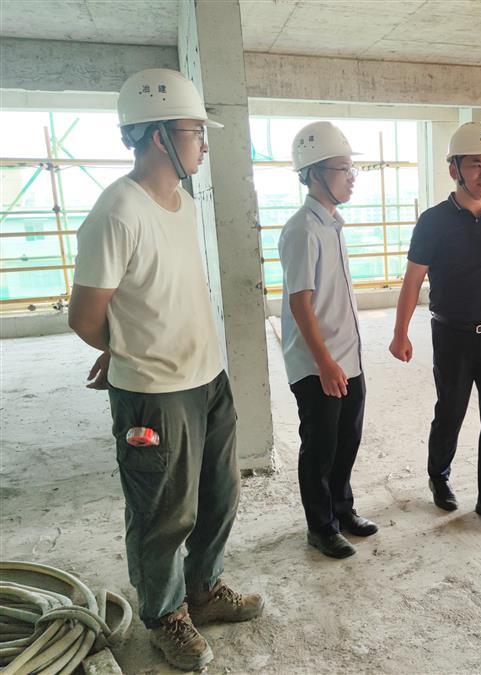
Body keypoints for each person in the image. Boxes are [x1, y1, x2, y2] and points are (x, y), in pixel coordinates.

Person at [68, 68, 263, 672]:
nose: (203, 143)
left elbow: (152, 295)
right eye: (194, 132)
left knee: (218, 496)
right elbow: (84, 316)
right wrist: (124, 349)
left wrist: (124, 337)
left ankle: (202, 590)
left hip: (208, 379)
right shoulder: (117, 211)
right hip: (155, 393)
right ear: (158, 136)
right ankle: (164, 614)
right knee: (162, 514)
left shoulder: (183, 202)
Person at [390, 121, 481, 533]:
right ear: (454, 170)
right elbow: (413, 281)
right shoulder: (433, 222)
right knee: (450, 412)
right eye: (476, 164)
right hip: (452, 336)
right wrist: (400, 332)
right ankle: (439, 477)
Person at [279, 121, 377, 560]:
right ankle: (320, 527)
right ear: (314, 173)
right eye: (343, 169)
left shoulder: (332, 225)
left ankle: (342, 509)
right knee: (320, 447)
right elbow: (300, 303)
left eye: (353, 168)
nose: (352, 177)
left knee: (346, 440)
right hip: (319, 364)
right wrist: (324, 363)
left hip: (346, 358)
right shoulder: (302, 229)